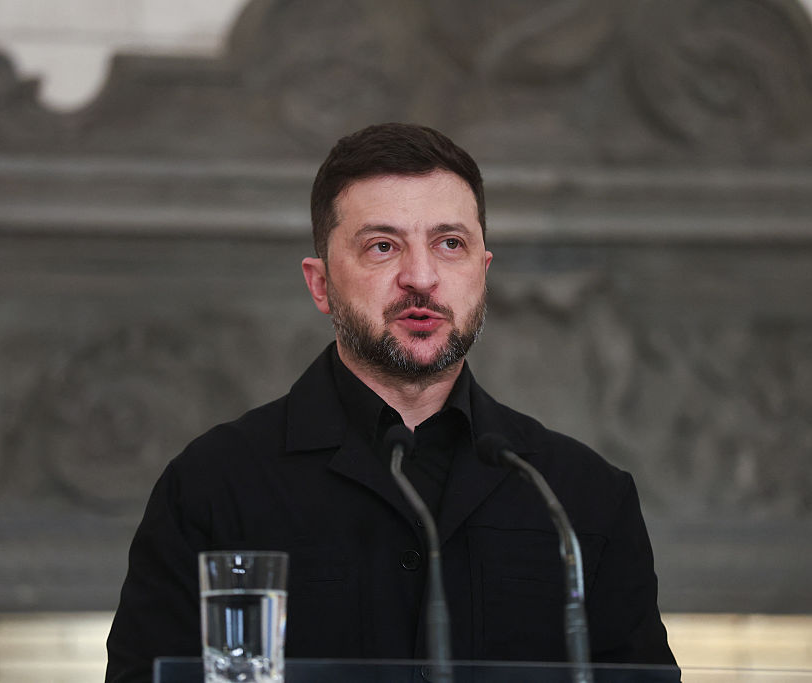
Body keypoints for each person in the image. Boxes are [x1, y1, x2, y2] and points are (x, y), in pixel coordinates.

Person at [105, 123, 675, 682]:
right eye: (383, 247)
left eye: (450, 244)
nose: (421, 277)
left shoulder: (581, 497)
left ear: (483, 271)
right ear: (321, 283)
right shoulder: (212, 485)